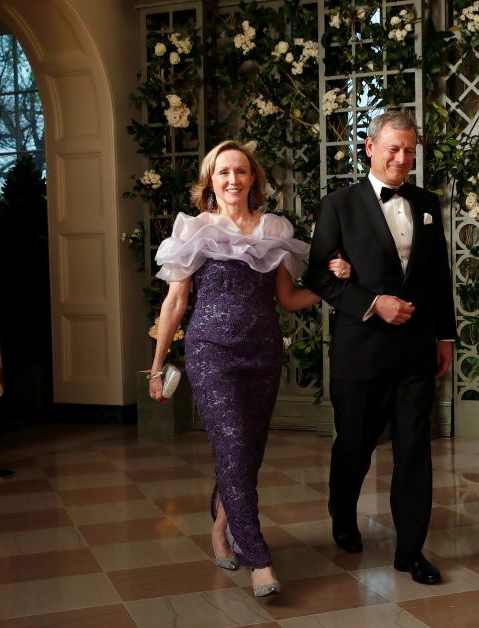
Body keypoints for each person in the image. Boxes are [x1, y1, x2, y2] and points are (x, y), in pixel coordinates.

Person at [148, 140, 350, 597]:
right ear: (210, 181)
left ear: (253, 179)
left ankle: (220, 528)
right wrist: (157, 366)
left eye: (241, 171)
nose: (233, 180)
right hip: (210, 352)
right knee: (235, 445)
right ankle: (258, 558)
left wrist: (332, 287)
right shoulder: (194, 230)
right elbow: (175, 302)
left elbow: (287, 299)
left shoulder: (273, 230)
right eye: (223, 172)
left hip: (262, 353)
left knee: (246, 453)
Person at [306, 110, 456, 585]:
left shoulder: (427, 202)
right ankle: (342, 515)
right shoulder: (339, 204)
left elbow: (438, 280)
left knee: (415, 451)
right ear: (369, 148)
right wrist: (374, 303)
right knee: (355, 446)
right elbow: (317, 278)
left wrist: (445, 337)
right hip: (360, 351)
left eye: (410, 150)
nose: (402, 158)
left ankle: (410, 551)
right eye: (393, 148)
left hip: (415, 352)